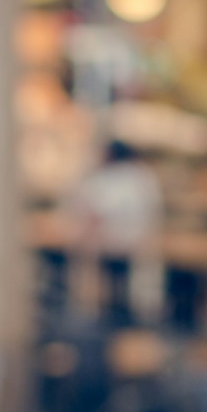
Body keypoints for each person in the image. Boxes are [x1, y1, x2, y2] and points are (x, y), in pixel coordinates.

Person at [72, 139, 164, 325]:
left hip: (112, 243)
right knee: (125, 283)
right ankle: (122, 315)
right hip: (140, 244)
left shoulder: (109, 177)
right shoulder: (144, 176)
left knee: (113, 283)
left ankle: (113, 317)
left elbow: (95, 211)